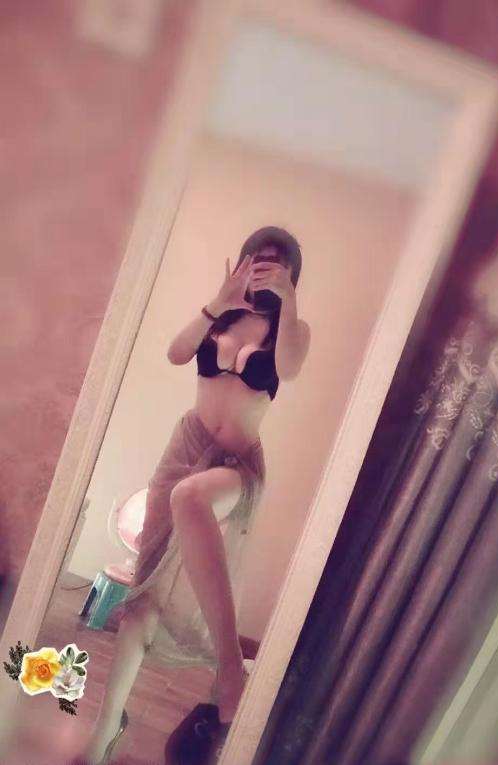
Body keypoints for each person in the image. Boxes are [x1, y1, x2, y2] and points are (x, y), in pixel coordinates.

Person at [77, 226, 310, 764]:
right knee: (144, 595)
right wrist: (217, 303)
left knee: (191, 497)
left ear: (292, 273)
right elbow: (175, 353)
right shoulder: (220, 317)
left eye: (276, 263)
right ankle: (105, 731)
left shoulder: (292, 330)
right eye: (256, 258)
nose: (263, 268)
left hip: (237, 465)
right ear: (243, 261)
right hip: (185, 449)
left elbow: (291, 368)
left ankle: (229, 669)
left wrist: (288, 300)